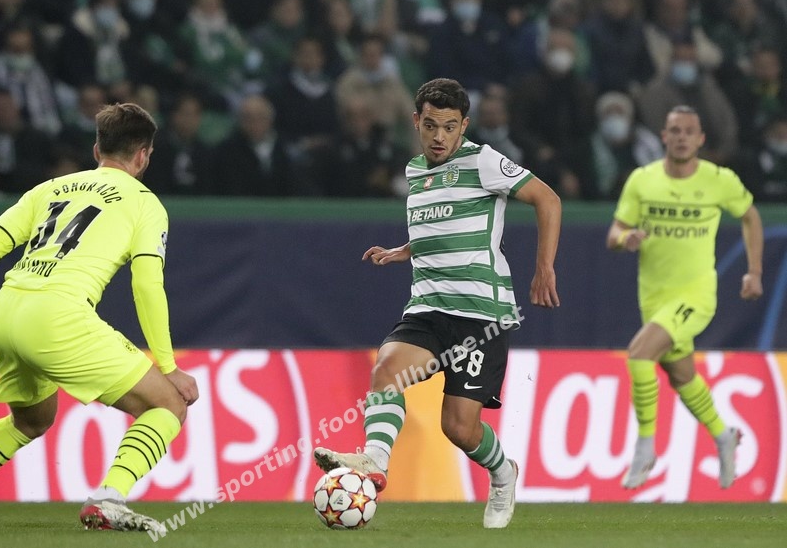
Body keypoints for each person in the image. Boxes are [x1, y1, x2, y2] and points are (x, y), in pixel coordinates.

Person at [0, 103, 198, 531]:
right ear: (143, 155)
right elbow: (147, 285)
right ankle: (109, 500)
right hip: (58, 316)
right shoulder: (145, 204)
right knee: (168, 404)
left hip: (6, 312)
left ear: (96, 150)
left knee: (31, 420)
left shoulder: (50, 188)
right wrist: (168, 367)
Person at [313, 78, 561, 529]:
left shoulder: (483, 161)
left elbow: (548, 199)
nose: (439, 136)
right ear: (416, 122)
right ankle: (374, 461)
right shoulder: (414, 171)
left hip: (480, 316)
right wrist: (403, 250)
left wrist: (544, 268)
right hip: (428, 307)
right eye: (431, 126)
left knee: (458, 427)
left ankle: (504, 473)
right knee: (386, 368)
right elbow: (442, 223)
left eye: (449, 127)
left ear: (464, 125)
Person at [607, 105, 764, 490]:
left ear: (700, 139)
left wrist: (754, 271)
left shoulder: (719, 180)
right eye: (675, 130)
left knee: (639, 354)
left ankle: (646, 447)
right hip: (653, 296)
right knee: (681, 377)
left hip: (696, 295)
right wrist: (626, 238)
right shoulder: (642, 181)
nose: (681, 137)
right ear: (664, 136)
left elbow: (750, 216)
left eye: (688, 131)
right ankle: (724, 435)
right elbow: (614, 233)